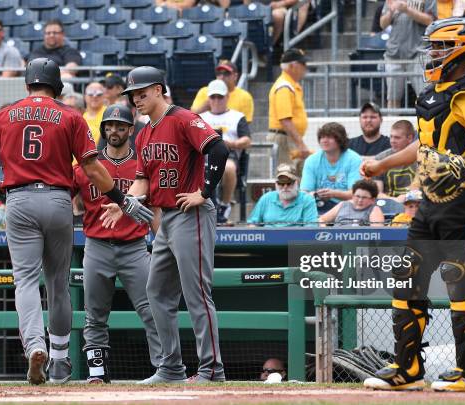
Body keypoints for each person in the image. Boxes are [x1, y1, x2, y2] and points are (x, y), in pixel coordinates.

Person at [0, 58, 152, 385]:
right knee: (58, 282)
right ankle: (58, 361)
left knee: (25, 280)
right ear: (58, 86)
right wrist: (123, 200)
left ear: (27, 85)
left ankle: (34, 346)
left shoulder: (4, 113)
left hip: (19, 199)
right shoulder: (71, 114)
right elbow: (93, 169)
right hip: (57, 199)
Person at [362, 17, 465, 392]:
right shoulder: (433, 92)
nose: (433, 53)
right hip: (430, 198)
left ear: (461, 49)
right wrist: (382, 162)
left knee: (460, 280)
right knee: (407, 277)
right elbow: (425, 147)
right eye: (432, 46)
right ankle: (407, 369)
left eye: (440, 47)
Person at [100, 66, 228, 383]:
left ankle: (213, 370)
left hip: (191, 213)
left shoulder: (182, 118)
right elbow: (143, 180)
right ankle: (171, 368)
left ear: (158, 90)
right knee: (156, 291)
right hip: (166, 218)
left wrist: (205, 192)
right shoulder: (144, 133)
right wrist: (122, 203)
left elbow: (218, 148)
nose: (137, 100)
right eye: (133, 96)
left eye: (142, 93)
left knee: (196, 292)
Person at [72, 104, 162, 383]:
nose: (114, 131)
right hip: (97, 245)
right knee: (95, 314)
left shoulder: (142, 164)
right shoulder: (88, 165)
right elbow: (63, 196)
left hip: (134, 246)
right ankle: (97, 373)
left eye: (120, 126)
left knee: (152, 310)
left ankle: (164, 367)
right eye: (109, 126)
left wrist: (160, 244)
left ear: (130, 130)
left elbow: (157, 208)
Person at [199, 79, 251, 224]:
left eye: (220, 97)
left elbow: (247, 140)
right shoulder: (201, 118)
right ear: (208, 98)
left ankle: (225, 204)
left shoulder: (237, 117)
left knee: (227, 168)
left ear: (227, 97)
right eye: (213, 97)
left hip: (229, 154)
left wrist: (231, 143)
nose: (216, 100)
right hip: (205, 156)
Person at [380, 0, 436, 109]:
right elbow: (382, 24)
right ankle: (393, 124)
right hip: (394, 54)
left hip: (418, 53)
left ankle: (425, 125)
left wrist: (407, 10)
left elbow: (430, 20)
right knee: (392, 99)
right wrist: (391, 12)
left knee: (425, 96)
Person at [300, 122, 363, 214]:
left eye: (329, 137)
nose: (324, 140)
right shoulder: (311, 160)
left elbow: (356, 194)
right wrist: (315, 194)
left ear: (340, 140)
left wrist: (333, 194)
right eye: (322, 137)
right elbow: (304, 192)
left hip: (347, 208)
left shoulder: (354, 159)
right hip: (317, 207)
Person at [268, 49, 310, 170]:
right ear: (293, 66)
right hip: (283, 139)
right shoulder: (284, 87)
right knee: (286, 176)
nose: (305, 68)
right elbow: (285, 120)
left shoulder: (289, 85)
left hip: (288, 138)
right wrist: (301, 144)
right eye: (303, 65)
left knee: (294, 177)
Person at [248, 163, 318, 226]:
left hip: (296, 239)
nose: (285, 187)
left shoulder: (307, 200)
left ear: (297, 182)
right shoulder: (266, 198)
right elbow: (252, 224)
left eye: (289, 183)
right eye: (281, 183)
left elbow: (310, 229)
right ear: (276, 184)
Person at [374, 120, 417, 200]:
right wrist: (395, 200)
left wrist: (406, 197)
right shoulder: (380, 159)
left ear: (410, 138)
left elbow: (422, 191)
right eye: (391, 136)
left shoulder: (421, 158)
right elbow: (377, 193)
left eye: (397, 138)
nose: (392, 141)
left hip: (414, 205)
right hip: (388, 205)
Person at [319, 179, 385, 226]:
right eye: (357, 196)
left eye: (364, 197)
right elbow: (321, 220)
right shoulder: (343, 205)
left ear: (373, 200)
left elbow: (377, 233)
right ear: (353, 196)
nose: (360, 200)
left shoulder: (374, 210)